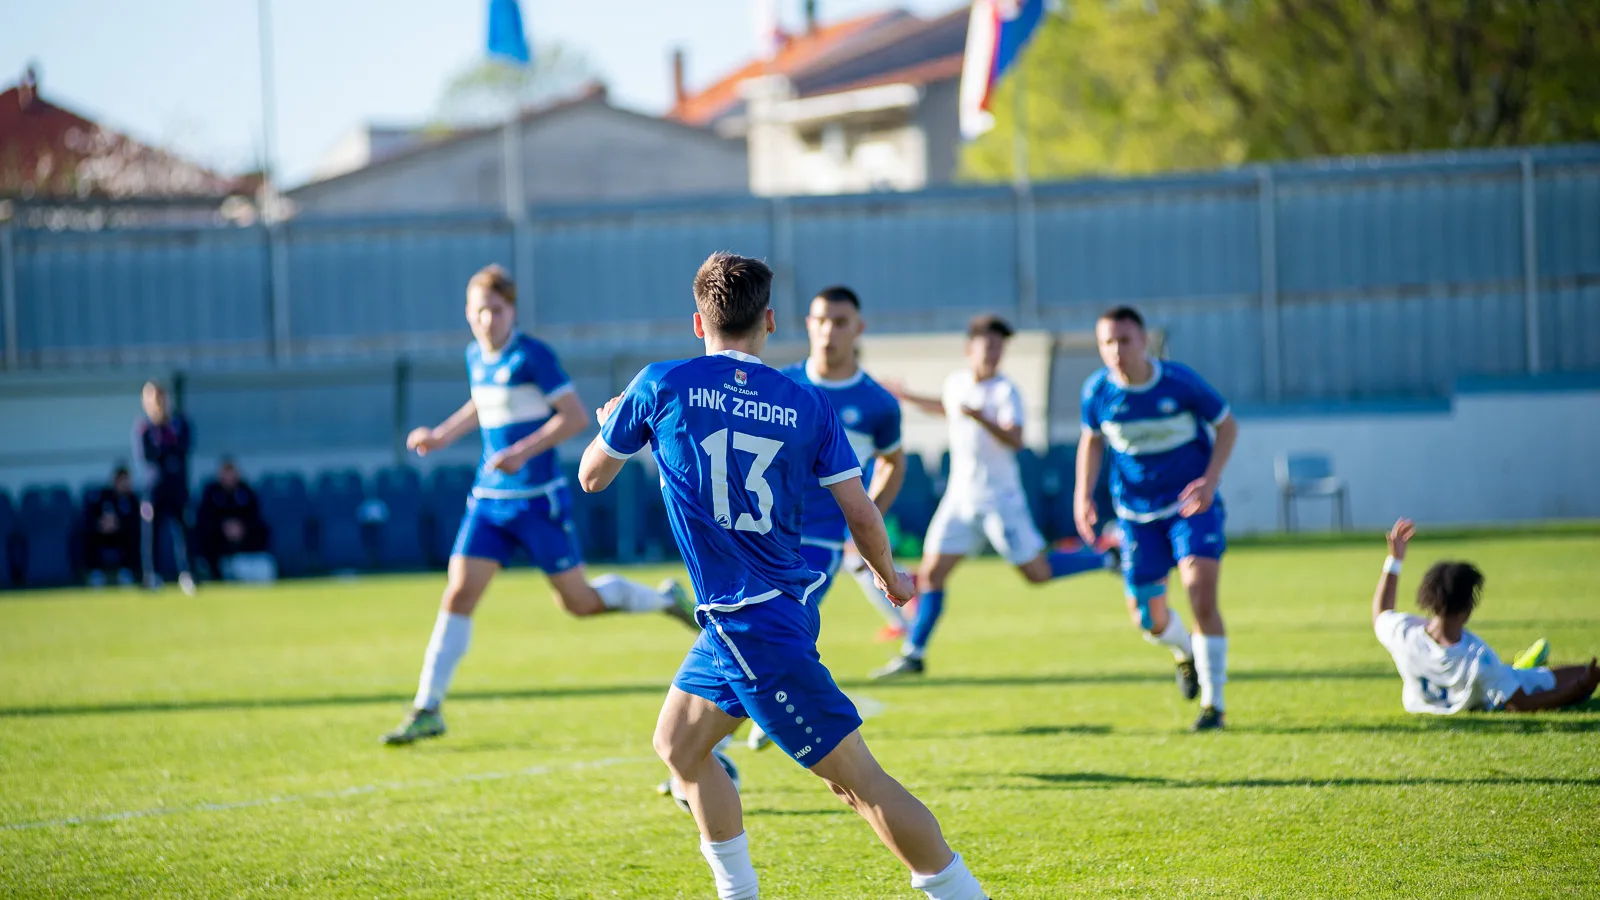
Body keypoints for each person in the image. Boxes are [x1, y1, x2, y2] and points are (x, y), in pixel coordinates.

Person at [579, 253, 988, 900]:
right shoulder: (807, 402)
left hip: (751, 622)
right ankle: (738, 892)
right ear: (769, 321)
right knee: (679, 747)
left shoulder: (659, 384)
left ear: (698, 322)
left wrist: (616, 423)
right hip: (756, 613)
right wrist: (889, 577)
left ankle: (962, 894)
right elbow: (861, 510)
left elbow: (591, 477)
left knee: (858, 784)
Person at [381, 264, 697, 746]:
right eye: (479, 311)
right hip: (489, 501)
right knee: (458, 594)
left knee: (579, 602)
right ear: (467, 313)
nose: (487, 320)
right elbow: (481, 403)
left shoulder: (532, 356)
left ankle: (664, 600)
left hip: (537, 503)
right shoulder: (475, 356)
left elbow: (573, 417)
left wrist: (521, 452)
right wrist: (441, 436)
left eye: (496, 310)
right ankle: (428, 707)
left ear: (512, 312)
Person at [872, 314, 1118, 681]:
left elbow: (1016, 439)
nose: (993, 352)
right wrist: (907, 396)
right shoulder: (957, 382)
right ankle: (914, 653)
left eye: (999, 347)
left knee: (1037, 574)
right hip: (960, 499)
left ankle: (1107, 558)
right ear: (969, 348)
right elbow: (946, 407)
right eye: (987, 345)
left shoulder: (1006, 391)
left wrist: (981, 418)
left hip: (1001, 501)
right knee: (933, 575)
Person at [726, 286, 909, 755]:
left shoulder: (877, 403)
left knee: (769, 632)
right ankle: (744, 725)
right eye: (821, 320)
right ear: (808, 324)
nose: (829, 331)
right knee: (754, 632)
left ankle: (716, 748)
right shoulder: (777, 384)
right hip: (761, 535)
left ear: (858, 329)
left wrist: (865, 521)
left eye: (840, 322)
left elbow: (893, 462)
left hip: (819, 541)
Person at [1074, 306, 1239, 731]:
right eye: (1107, 342)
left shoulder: (1179, 382)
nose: (1116, 350)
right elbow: (1092, 441)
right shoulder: (1097, 392)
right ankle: (1185, 652)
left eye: (1124, 340)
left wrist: (1210, 481)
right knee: (1148, 619)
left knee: (1200, 594)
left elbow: (1227, 426)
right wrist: (1082, 495)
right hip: (1135, 515)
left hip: (1190, 507)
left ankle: (1214, 706)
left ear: (1144, 341)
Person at [1373, 518, 1599, 713]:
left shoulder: (1404, 635)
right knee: (1558, 676)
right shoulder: (1478, 658)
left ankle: (1523, 667)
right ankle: (1523, 669)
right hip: (1502, 683)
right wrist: (1581, 687)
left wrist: (1395, 560)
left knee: (1517, 674)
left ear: (1429, 600)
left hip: (1463, 691)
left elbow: (1381, 613)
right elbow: (1521, 703)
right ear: (1467, 608)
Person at [133, 381, 196, 595]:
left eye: (162, 397)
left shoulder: (179, 423)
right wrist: (167, 449)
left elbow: (184, 448)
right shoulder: (144, 427)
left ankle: (187, 574)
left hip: (178, 488)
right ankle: (152, 576)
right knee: (151, 535)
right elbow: (147, 456)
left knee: (184, 533)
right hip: (154, 489)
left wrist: (166, 448)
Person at [194, 458, 269, 579]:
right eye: (226, 473)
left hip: (244, 543)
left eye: (232, 472)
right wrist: (223, 528)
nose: (229, 477)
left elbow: (256, 517)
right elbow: (204, 519)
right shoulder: (211, 493)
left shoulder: (247, 492)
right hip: (218, 543)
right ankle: (210, 570)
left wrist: (241, 528)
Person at [83, 466, 140, 587]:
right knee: (87, 536)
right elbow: (90, 517)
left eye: (128, 480)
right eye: (123, 480)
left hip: (121, 535)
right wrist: (100, 524)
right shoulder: (103, 496)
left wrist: (119, 524)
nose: (126, 484)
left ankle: (126, 572)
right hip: (102, 535)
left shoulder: (133, 499)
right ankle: (95, 573)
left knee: (134, 537)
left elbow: (135, 522)